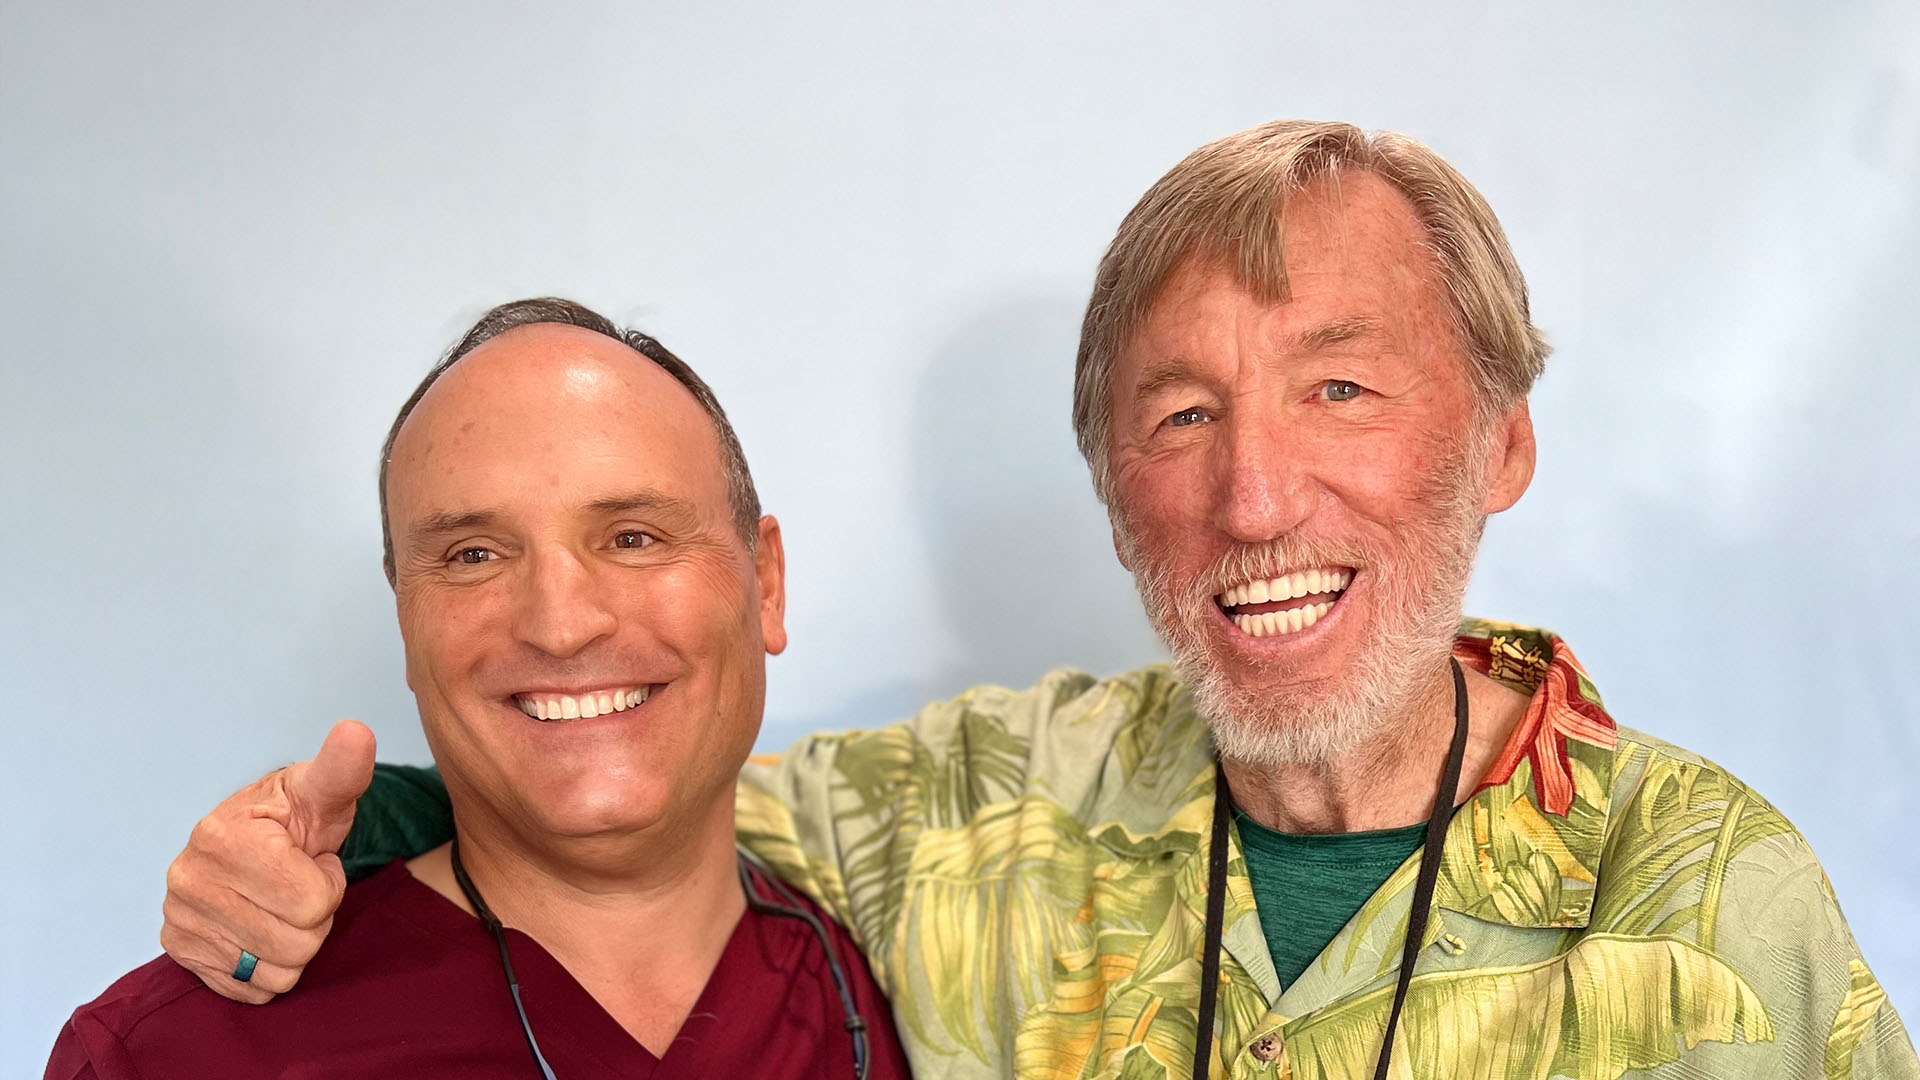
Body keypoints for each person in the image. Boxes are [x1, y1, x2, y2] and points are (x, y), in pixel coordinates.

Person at [153, 122, 1917, 1079]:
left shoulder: (1708, 894)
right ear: (1110, 487)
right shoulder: (970, 814)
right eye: (1179, 417)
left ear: (1505, 445)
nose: (1254, 495)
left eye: (1342, 391)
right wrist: (333, 838)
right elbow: (615, 781)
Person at [47, 300, 911, 1079]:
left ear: (765, 584)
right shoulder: (170, 1056)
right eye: (474, 555)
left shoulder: (907, 974)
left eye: (634, 537)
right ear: (405, 620)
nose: (561, 622)